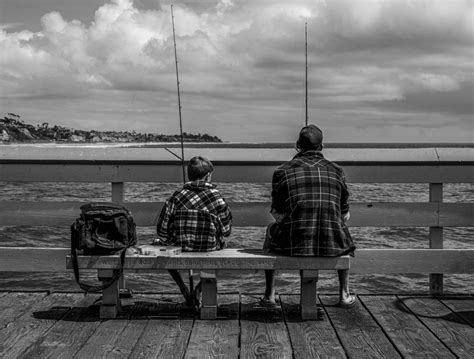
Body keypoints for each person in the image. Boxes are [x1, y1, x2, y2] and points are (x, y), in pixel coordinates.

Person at [262, 124, 356, 308]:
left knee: (270, 230)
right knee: (342, 230)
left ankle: (269, 295)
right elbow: (344, 214)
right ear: (322, 147)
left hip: (295, 241)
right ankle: (344, 294)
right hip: (332, 242)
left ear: (297, 145)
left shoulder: (283, 171)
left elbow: (277, 213)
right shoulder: (337, 170)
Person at [154, 155, 232, 305]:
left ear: (189, 176)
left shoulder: (176, 196)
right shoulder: (217, 197)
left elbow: (162, 230)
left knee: (164, 247)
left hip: (180, 248)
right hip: (209, 247)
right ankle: (198, 290)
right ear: (208, 176)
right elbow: (226, 230)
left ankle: (184, 289)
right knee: (224, 249)